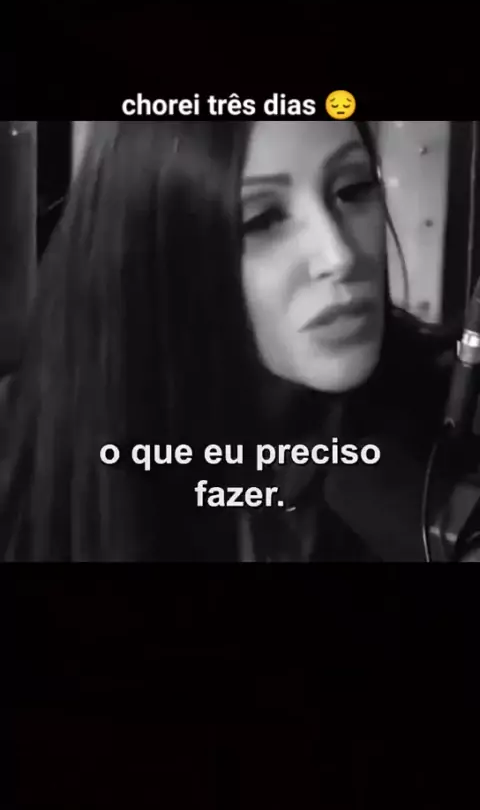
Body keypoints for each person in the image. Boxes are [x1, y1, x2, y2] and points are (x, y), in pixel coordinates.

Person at [0, 120, 455, 562]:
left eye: (353, 189)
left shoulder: (448, 420)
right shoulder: (37, 456)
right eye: (263, 219)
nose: (338, 255)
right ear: (155, 253)